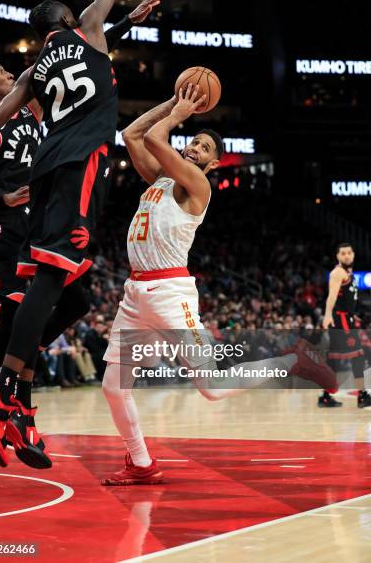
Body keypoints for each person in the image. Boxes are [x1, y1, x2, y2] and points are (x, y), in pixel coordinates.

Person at [0, 0, 166, 468]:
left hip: (48, 171)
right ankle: (1, 393)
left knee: (65, 292)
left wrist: (124, 19)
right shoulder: (88, 30)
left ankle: (8, 398)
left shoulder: (33, 73)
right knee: (49, 283)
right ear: (74, 21)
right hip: (74, 166)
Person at [100, 84, 337, 485]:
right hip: (135, 294)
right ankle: (141, 463)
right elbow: (131, 135)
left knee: (211, 385)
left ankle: (292, 361)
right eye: (194, 141)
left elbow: (157, 136)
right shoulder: (159, 178)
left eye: (205, 147)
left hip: (171, 295)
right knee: (112, 385)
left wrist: (179, 115)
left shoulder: (196, 184)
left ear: (212, 163)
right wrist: (173, 104)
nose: (195, 147)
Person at [320, 243, 371, 408]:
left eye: (349, 253)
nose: (347, 256)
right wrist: (328, 315)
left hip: (345, 318)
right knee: (357, 356)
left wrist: (351, 314)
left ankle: (326, 396)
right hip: (340, 320)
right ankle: (362, 395)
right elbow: (332, 297)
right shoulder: (337, 273)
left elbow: (345, 299)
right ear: (338, 257)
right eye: (343, 254)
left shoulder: (349, 274)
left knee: (334, 359)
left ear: (354, 255)